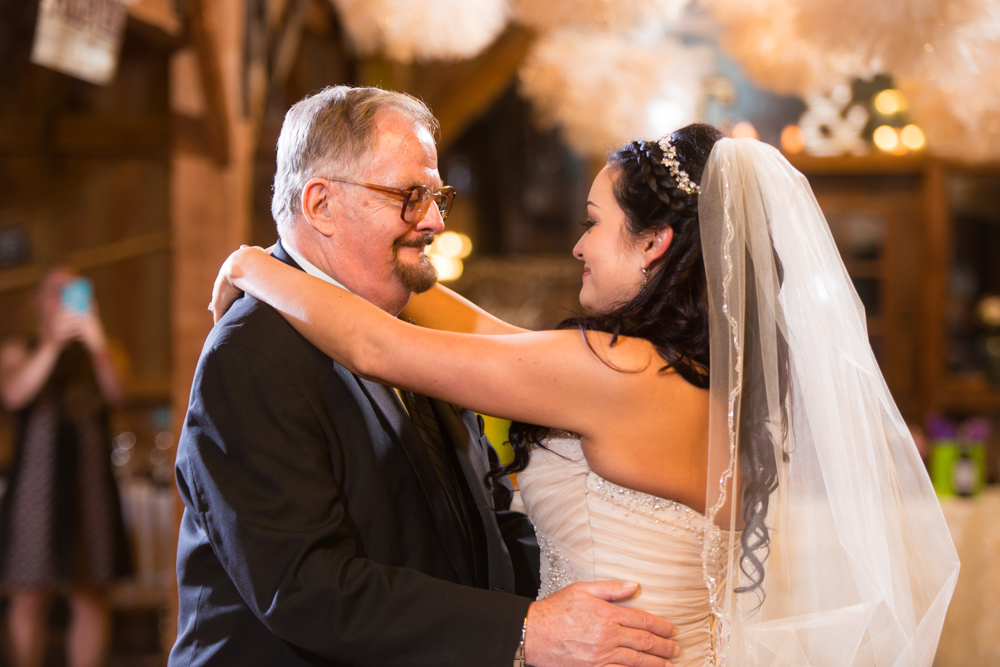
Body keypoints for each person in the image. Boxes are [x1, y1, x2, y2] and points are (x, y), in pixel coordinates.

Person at [212, 123, 961, 666]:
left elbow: (377, 345)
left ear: (653, 243)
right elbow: (481, 328)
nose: (577, 245)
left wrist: (255, 265)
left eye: (594, 224)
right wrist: (365, 254)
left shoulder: (614, 372)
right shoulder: (686, 375)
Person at [171, 85, 681, 667]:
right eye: (410, 196)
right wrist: (525, 629)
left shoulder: (406, 331)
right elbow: (303, 586)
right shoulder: (251, 353)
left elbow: (480, 513)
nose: (434, 219)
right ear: (319, 206)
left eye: (436, 195)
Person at [0, 268, 131, 667]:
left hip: (90, 484)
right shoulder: (18, 349)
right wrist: (53, 345)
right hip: (33, 487)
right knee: (27, 593)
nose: (63, 299)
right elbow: (14, 394)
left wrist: (95, 343)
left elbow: (119, 395)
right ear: (37, 301)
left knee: (91, 592)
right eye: (55, 291)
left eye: (72, 291)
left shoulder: (103, 349)